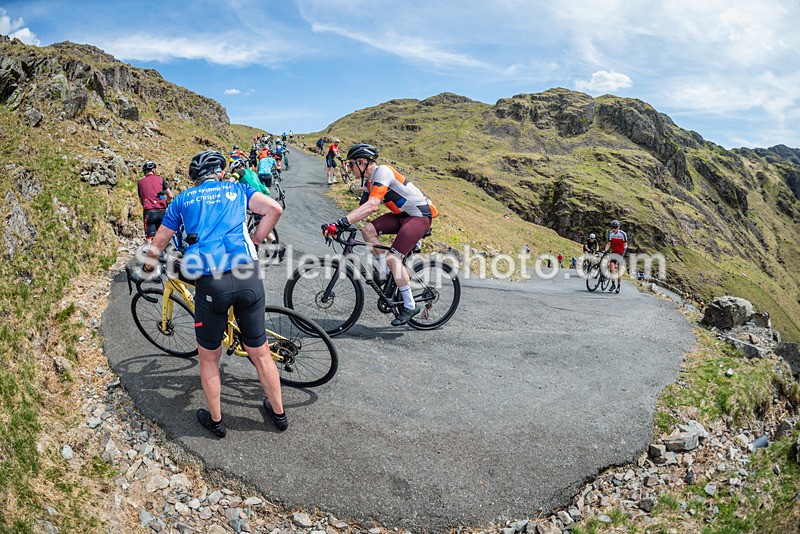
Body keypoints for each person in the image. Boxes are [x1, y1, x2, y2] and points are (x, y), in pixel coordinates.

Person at [140, 150, 287, 436]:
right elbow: (274, 209)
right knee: (261, 352)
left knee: (209, 359)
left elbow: (159, 241)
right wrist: (256, 239)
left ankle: (217, 422)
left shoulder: (182, 200)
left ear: (195, 178)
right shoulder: (238, 189)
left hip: (211, 281)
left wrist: (147, 268)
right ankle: (279, 414)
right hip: (248, 275)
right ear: (220, 172)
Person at [323, 143, 438, 326]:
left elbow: (372, 205)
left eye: (351, 164)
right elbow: (361, 208)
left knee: (393, 258)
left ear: (362, 162)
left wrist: (341, 224)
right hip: (402, 216)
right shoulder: (369, 182)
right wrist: (339, 225)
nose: (349, 168)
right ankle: (385, 273)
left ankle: (410, 305)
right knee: (367, 230)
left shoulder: (383, 172)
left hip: (419, 216)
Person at [137, 161, 174, 243]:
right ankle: (167, 253)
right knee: (165, 236)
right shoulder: (160, 180)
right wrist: (167, 203)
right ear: (154, 170)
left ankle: (151, 254)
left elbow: (141, 201)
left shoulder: (140, 183)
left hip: (149, 212)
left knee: (150, 238)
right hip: (162, 211)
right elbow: (170, 196)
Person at [603, 220, 628, 294]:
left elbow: (626, 245)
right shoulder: (611, 233)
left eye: (615, 227)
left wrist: (623, 254)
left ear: (618, 227)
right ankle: (613, 285)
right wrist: (605, 250)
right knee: (611, 269)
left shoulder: (623, 234)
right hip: (614, 253)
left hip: (621, 253)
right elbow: (608, 244)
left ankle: (618, 286)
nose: (614, 229)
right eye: (613, 227)